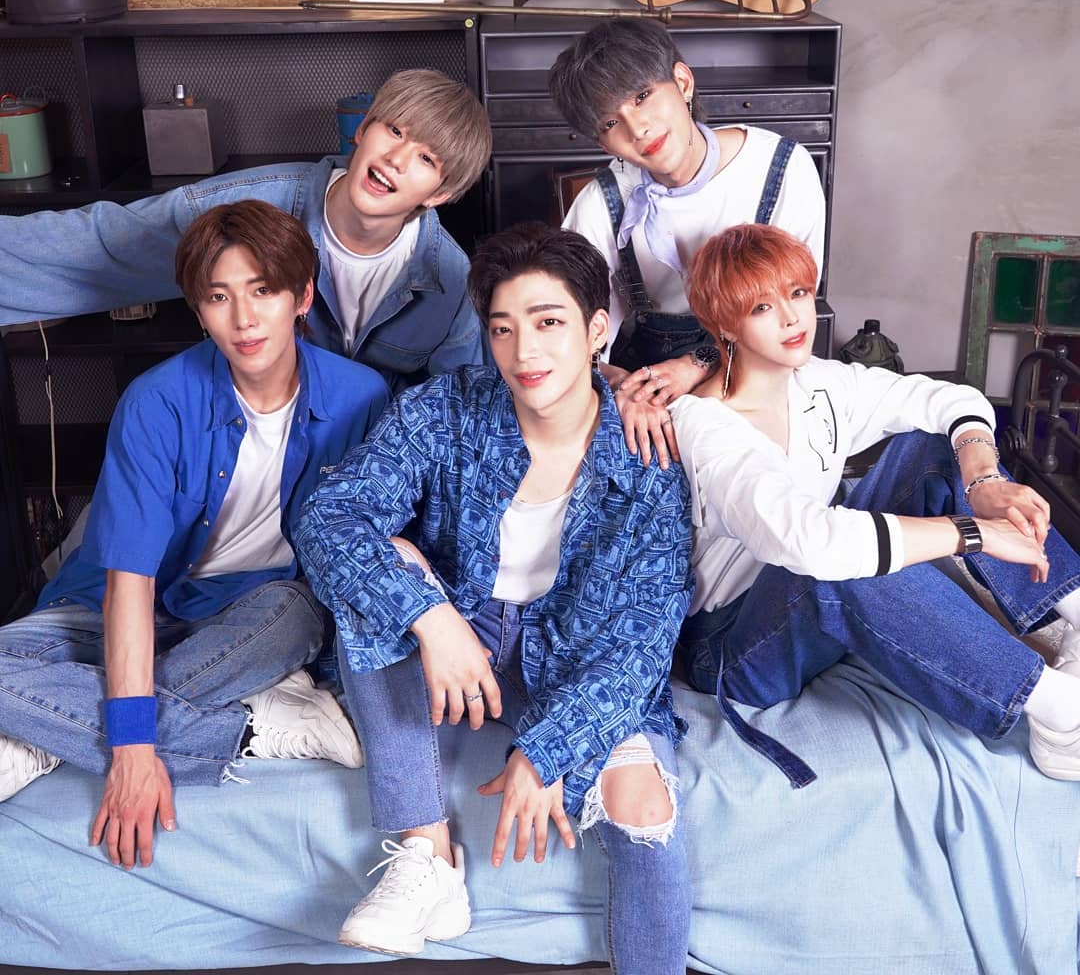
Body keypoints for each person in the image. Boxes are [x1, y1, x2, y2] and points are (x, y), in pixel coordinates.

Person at [295, 223, 695, 971]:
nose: (524, 352)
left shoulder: (647, 453)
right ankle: (426, 857)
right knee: (387, 569)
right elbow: (329, 519)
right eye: (503, 329)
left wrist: (545, 753)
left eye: (548, 324)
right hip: (463, 639)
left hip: (578, 655)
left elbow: (642, 642)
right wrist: (432, 617)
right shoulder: (445, 409)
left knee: (646, 811)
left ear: (596, 331)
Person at [0, 200, 389, 871]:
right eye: (218, 297)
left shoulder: (361, 397)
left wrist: (117, 727)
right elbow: (129, 583)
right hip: (116, 605)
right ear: (198, 309)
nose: (244, 320)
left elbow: (364, 547)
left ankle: (44, 734)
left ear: (302, 297)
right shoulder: (156, 402)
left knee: (298, 611)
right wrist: (130, 750)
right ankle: (250, 728)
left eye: (263, 291)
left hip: (261, 609)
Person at [670, 222, 1080, 787]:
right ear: (724, 325)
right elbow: (807, 543)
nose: (792, 318)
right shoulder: (704, 425)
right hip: (733, 647)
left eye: (797, 293)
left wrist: (982, 478)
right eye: (762, 307)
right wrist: (971, 531)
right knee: (835, 562)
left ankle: (1075, 611)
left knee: (931, 446)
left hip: (798, 586)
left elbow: (947, 397)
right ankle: (1060, 713)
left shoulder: (817, 380)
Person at [0, 69, 492, 396]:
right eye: (395, 131)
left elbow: (462, 414)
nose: (396, 159)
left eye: (426, 159)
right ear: (362, 130)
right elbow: (103, 245)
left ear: (441, 194)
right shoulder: (248, 208)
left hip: (374, 477)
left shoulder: (452, 282)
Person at [548, 18, 826, 468]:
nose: (638, 128)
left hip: (763, 369)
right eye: (611, 122)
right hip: (649, 384)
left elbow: (792, 315)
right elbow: (573, 338)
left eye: (643, 96)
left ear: (682, 81)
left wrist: (696, 365)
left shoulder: (781, 169)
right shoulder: (602, 203)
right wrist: (623, 389)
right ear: (602, 142)